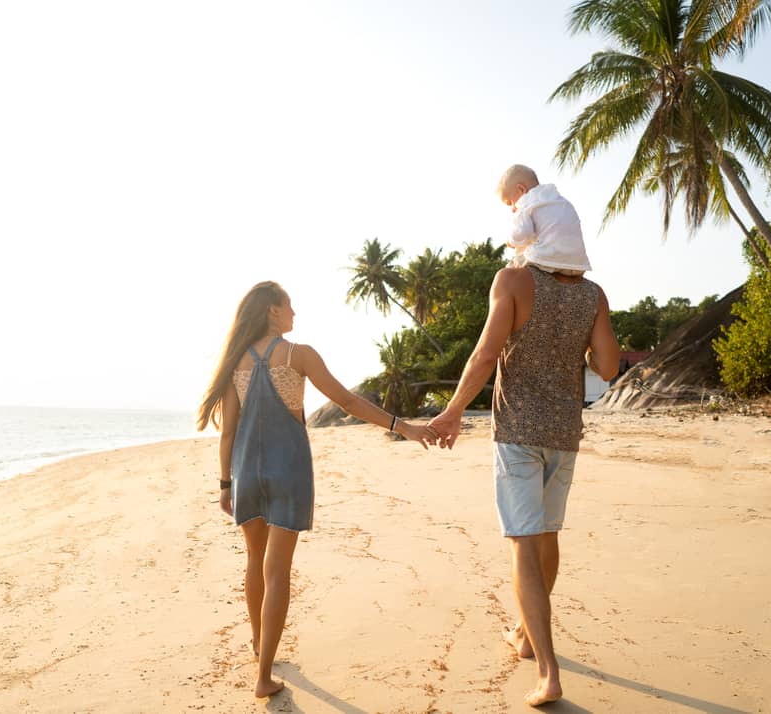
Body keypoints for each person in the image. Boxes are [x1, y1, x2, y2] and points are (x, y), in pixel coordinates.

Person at [197, 280, 436, 699]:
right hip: (289, 471)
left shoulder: (238, 362)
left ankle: (259, 647)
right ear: (273, 310)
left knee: (255, 561)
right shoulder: (298, 355)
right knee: (277, 571)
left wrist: (224, 483)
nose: (294, 314)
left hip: (246, 473)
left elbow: (228, 432)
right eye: (289, 306)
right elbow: (348, 401)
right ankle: (264, 676)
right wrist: (403, 427)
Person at [428, 264, 619, 707]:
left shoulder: (513, 280)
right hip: (564, 433)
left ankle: (548, 673)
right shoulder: (593, 294)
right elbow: (607, 366)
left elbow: (485, 354)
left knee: (523, 544)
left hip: (517, 432)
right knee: (547, 535)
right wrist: (580, 348)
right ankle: (524, 633)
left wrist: (454, 410)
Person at [497, 164, 592, 276]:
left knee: (508, 271)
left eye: (510, 203)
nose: (513, 209)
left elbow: (523, 232)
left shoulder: (525, 204)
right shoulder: (559, 201)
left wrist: (511, 241)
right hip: (576, 265)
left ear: (521, 189)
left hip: (546, 258)